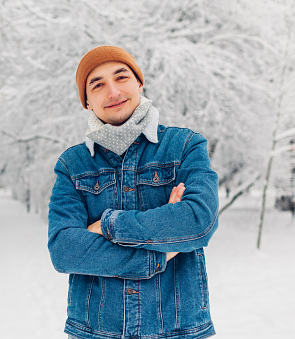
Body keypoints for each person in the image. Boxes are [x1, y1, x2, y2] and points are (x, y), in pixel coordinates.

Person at [48, 46, 219, 339]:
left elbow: (198, 220)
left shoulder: (184, 146)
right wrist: (159, 256)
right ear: (87, 102)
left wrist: (106, 225)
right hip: (95, 332)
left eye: (121, 77)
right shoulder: (72, 165)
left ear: (139, 83)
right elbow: (64, 250)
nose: (113, 91)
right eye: (97, 84)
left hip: (179, 330)